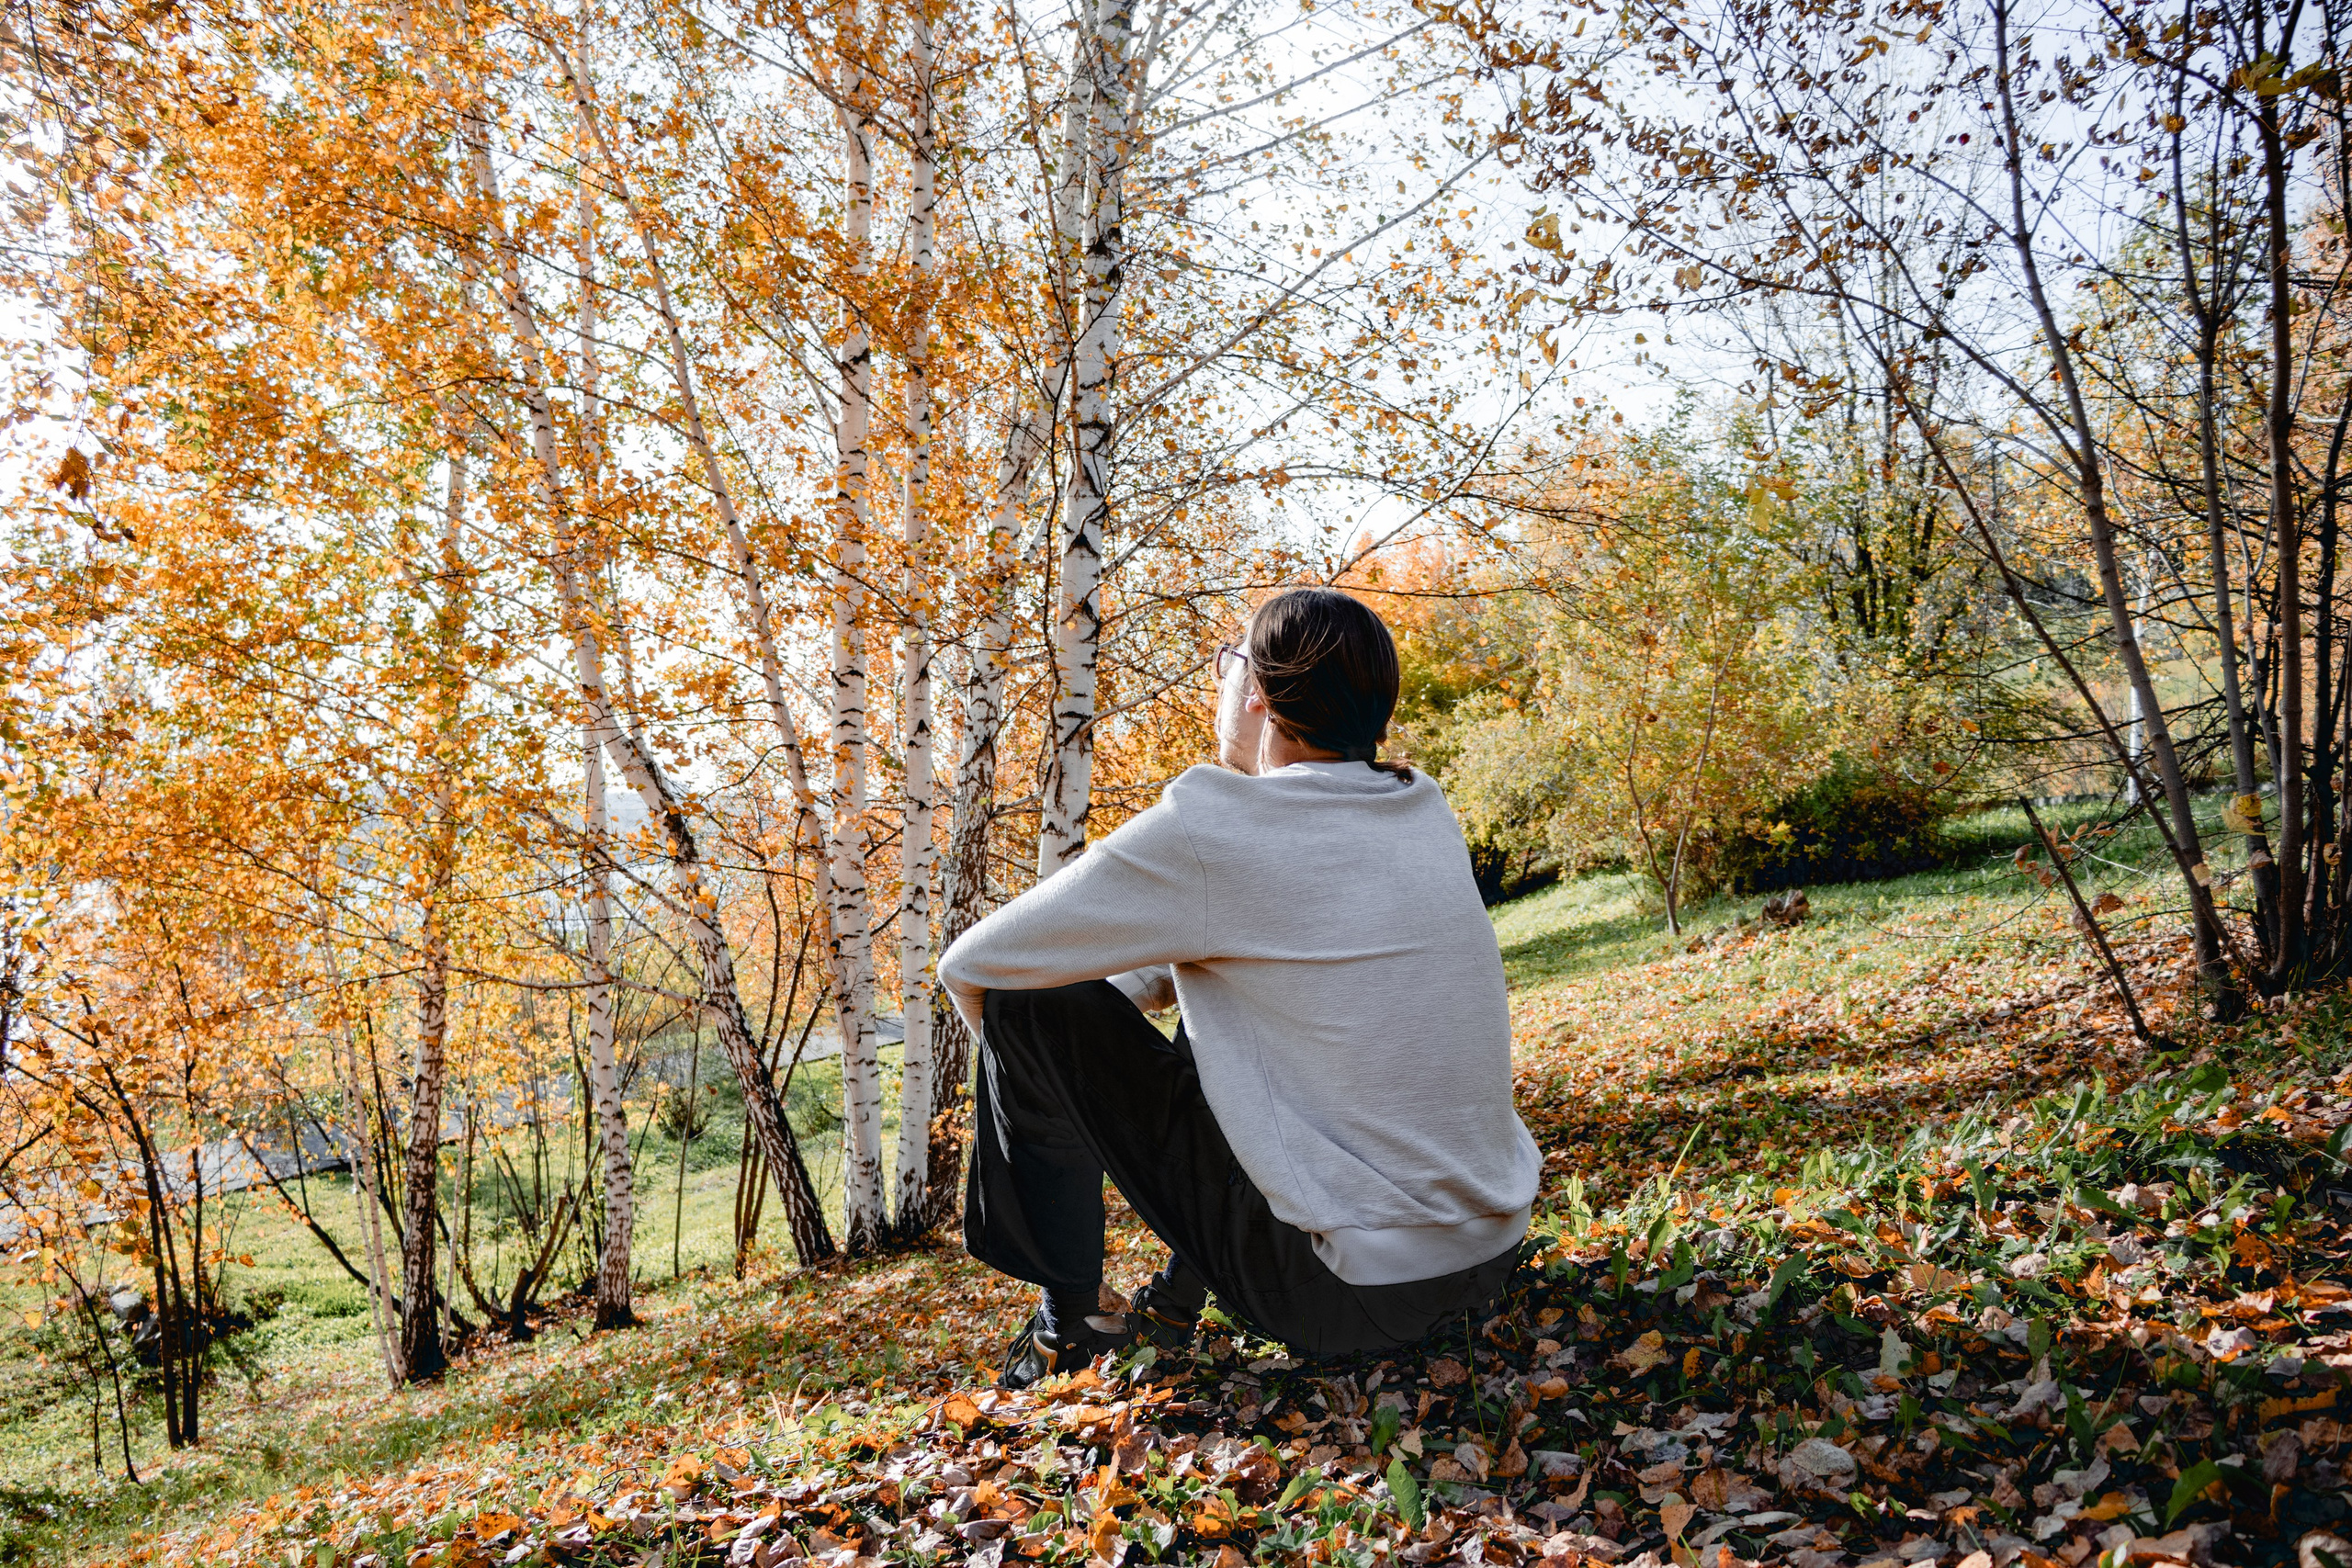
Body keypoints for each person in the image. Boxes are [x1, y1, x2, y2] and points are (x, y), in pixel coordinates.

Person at [938, 586, 1541, 1388]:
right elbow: (1225, 956)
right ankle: (1171, 1306)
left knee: (1025, 1001)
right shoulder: (1421, 807)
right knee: (1221, 1001)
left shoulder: (1214, 826)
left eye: (1229, 660)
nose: (1220, 676)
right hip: (1487, 1260)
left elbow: (976, 965)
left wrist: (1044, 1084)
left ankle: (1070, 1322)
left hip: (1344, 1298)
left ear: (1256, 690)